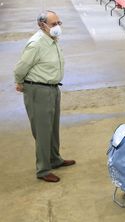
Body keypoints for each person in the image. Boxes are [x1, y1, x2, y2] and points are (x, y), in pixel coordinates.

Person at [14, 11, 75, 183]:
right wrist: (19, 82)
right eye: (53, 24)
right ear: (42, 25)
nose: (57, 27)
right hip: (38, 90)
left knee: (53, 128)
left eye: (58, 23)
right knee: (42, 131)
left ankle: (55, 159)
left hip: (53, 89)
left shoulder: (52, 40)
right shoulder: (36, 44)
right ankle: (43, 169)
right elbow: (20, 68)